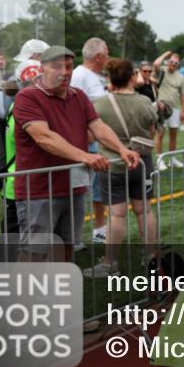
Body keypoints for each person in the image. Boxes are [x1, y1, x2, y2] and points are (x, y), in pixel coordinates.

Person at [13, 46, 139, 264]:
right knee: (35, 253)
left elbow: (98, 127)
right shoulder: (28, 97)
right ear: (43, 69)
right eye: (57, 66)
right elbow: (44, 137)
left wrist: (121, 148)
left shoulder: (78, 96)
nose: (64, 72)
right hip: (39, 190)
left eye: (69, 67)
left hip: (74, 188)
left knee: (68, 248)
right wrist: (86, 156)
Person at [87, 58, 159, 277]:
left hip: (112, 165)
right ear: (132, 77)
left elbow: (92, 135)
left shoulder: (100, 104)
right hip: (142, 163)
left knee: (116, 216)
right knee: (145, 211)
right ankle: (151, 258)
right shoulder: (145, 102)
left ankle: (110, 264)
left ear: (110, 78)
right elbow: (151, 131)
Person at [0, 59, 42, 262]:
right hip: (19, 182)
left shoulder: (19, 104)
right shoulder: (24, 108)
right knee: (15, 239)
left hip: (19, 181)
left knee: (14, 236)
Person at [71, 37, 110, 243]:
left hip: (96, 143)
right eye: (107, 53)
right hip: (83, 145)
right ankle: (73, 237)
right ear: (98, 56)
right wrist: (84, 136)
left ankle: (99, 228)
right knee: (77, 191)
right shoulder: (79, 76)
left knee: (97, 188)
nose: (108, 57)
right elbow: (72, 111)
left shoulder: (94, 77)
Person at [152, 50, 184, 169]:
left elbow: (183, 95)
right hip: (161, 107)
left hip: (175, 108)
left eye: (176, 62)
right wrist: (165, 54)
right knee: (160, 133)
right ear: (168, 62)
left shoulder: (181, 77)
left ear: (178, 64)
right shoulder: (162, 71)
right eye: (171, 61)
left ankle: (172, 159)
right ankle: (159, 160)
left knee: (173, 134)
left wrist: (183, 110)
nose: (173, 64)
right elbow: (156, 64)